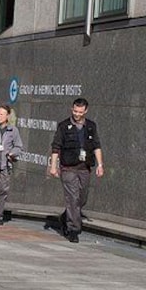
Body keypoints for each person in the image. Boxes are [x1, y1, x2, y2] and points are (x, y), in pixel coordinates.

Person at [49, 97, 103, 243]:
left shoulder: (91, 126)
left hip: (84, 168)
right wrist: (53, 166)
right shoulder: (63, 126)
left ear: (86, 111)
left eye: (80, 111)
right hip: (68, 168)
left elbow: (97, 146)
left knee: (81, 198)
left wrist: (100, 165)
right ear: (72, 109)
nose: (77, 114)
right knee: (72, 197)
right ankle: (73, 229)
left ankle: (65, 216)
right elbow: (56, 147)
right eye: (75, 111)